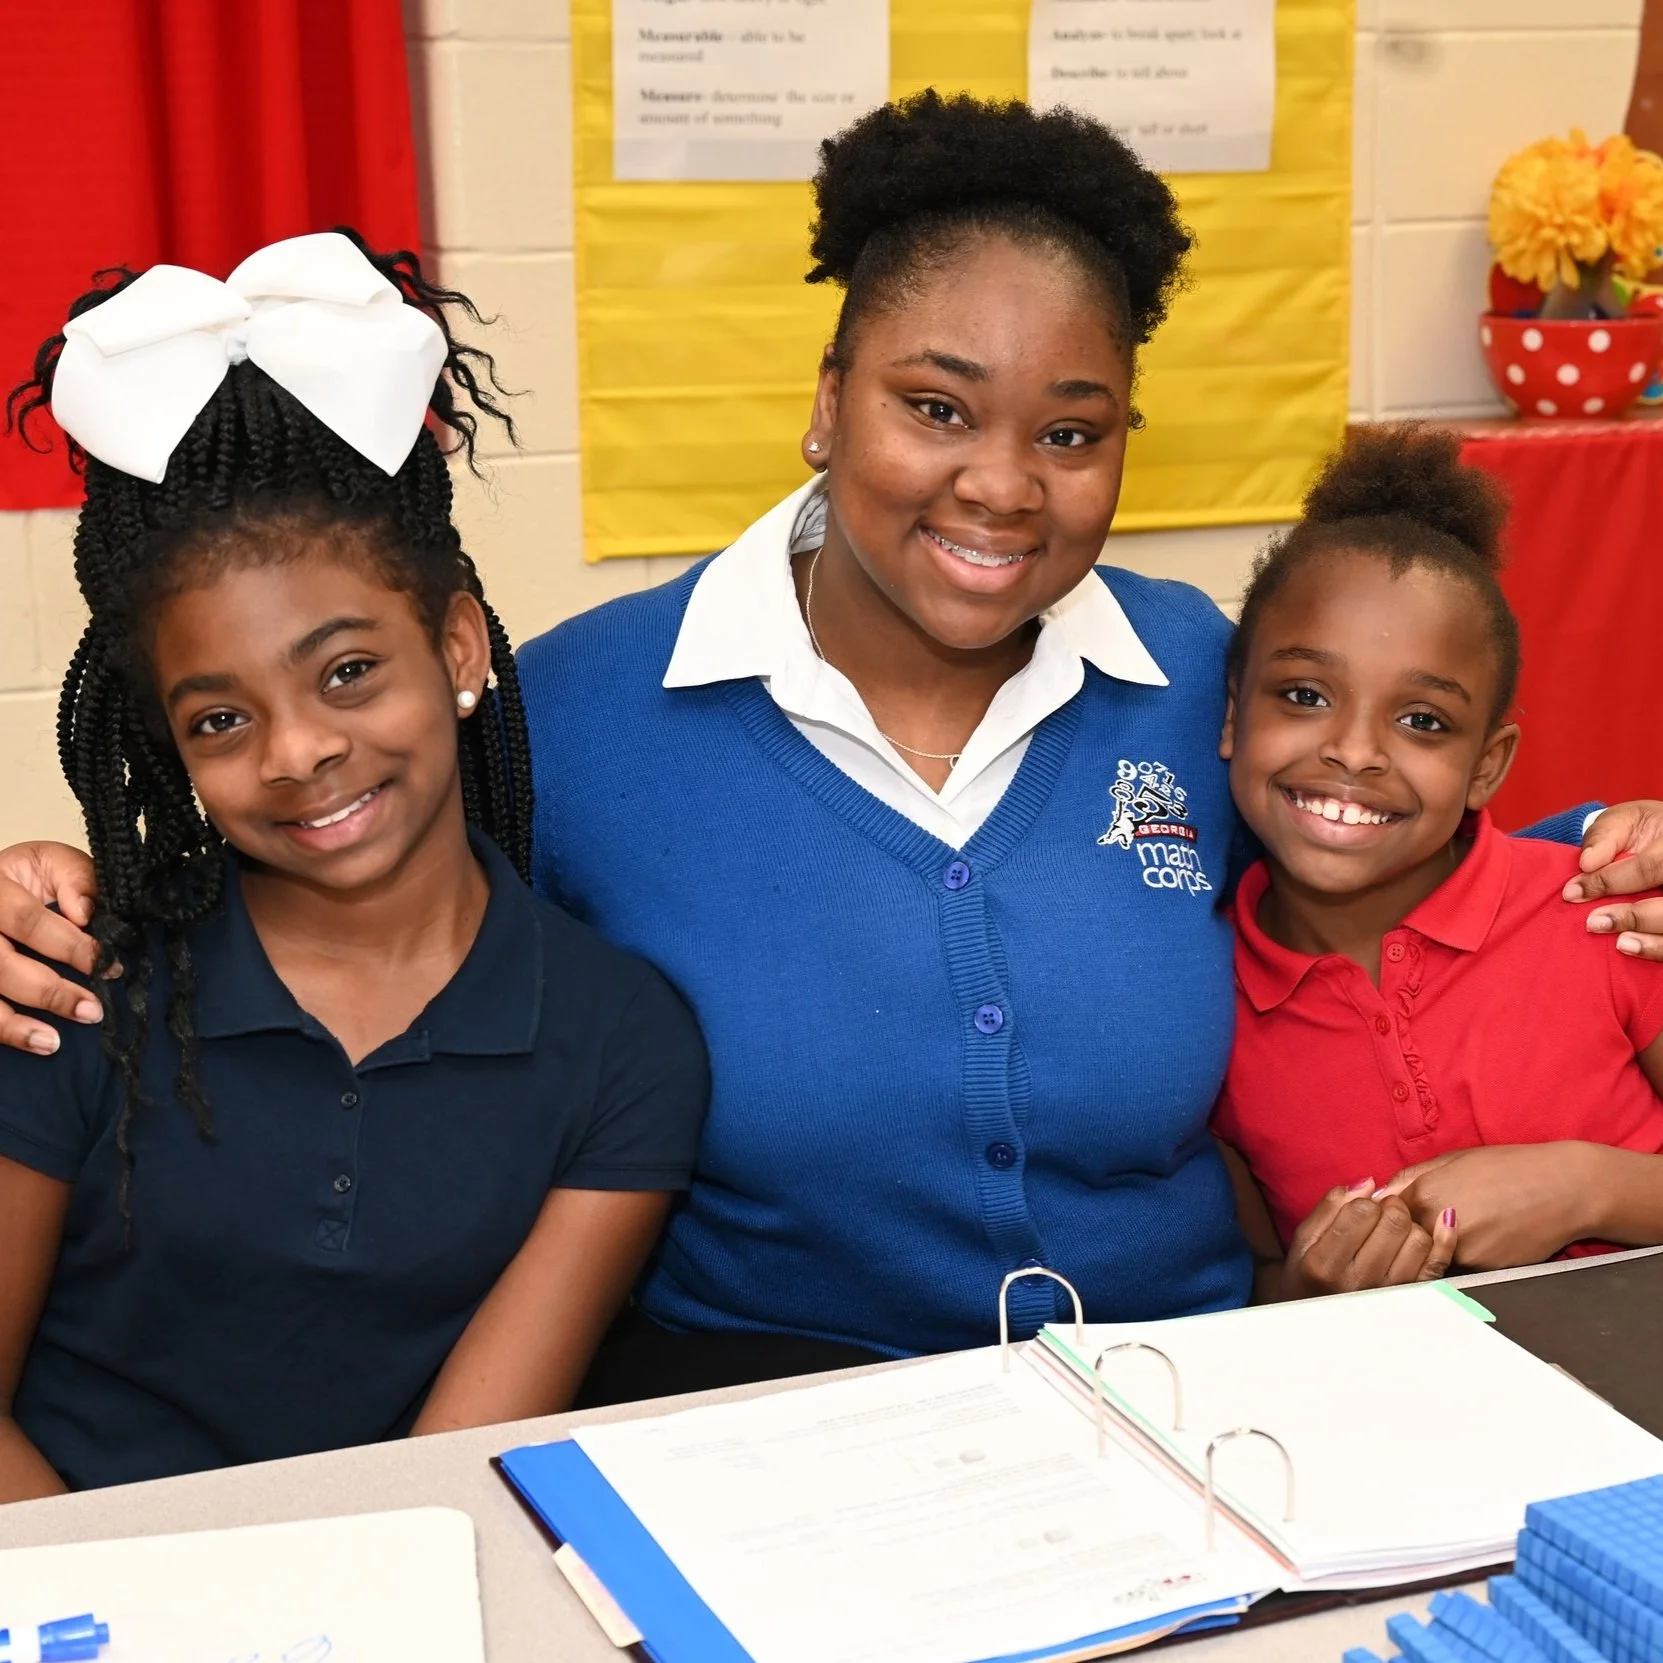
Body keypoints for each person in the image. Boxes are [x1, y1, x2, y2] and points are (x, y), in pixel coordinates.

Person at [4, 99, 1663, 1397]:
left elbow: (1407, 831)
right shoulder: (576, 715)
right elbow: (326, 863)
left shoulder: (1201, 676)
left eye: (1069, 431)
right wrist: (69, 898)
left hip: (1199, 1392)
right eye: (933, 406)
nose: (1002, 483)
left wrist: (1620, 839)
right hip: (755, 1418)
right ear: (824, 397)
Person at [0, 232, 708, 1498]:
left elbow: (456, 1475)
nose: (299, 752)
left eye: (347, 672)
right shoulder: (73, 989)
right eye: (220, 718)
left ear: (457, 644)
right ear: (167, 742)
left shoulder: (619, 1041)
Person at [1213, 426, 1663, 1300]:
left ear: (1485, 766)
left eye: (1421, 720)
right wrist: (1311, 1284)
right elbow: (1262, 1274)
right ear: (1233, 716)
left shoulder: (1605, 918)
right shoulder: (1206, 1007)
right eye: (1304, 696)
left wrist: (1585, 1188)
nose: (1353, 751)